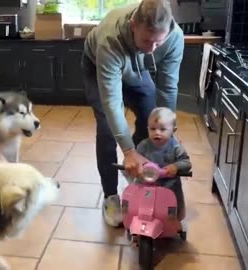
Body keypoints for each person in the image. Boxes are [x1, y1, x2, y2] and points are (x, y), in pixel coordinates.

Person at [81, 0, 185, 227]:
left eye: (159, 42)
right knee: (108, 129)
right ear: (133, 25)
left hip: (138, 69)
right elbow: (112, 101)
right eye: (147, 40)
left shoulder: (175, 37)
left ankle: (140, 172)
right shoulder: (111, 38)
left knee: (153, 121)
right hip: (98, 64)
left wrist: (168, 132)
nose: (152, 48)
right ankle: (110, 196)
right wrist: (127, 150)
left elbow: (168, 88)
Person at [126, 107, 192, 221]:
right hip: (146, 184)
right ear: (147, 129)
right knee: (138, 204)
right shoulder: (143, 145)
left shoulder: (175, 147)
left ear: (173, 130)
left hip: (169, 185)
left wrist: (176, 166)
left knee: (173, 208)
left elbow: (186, 162)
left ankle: (174, 221)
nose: (157, 132)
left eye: (162, 129)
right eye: (152, 129)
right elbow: (135, 160)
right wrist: (137, 169)